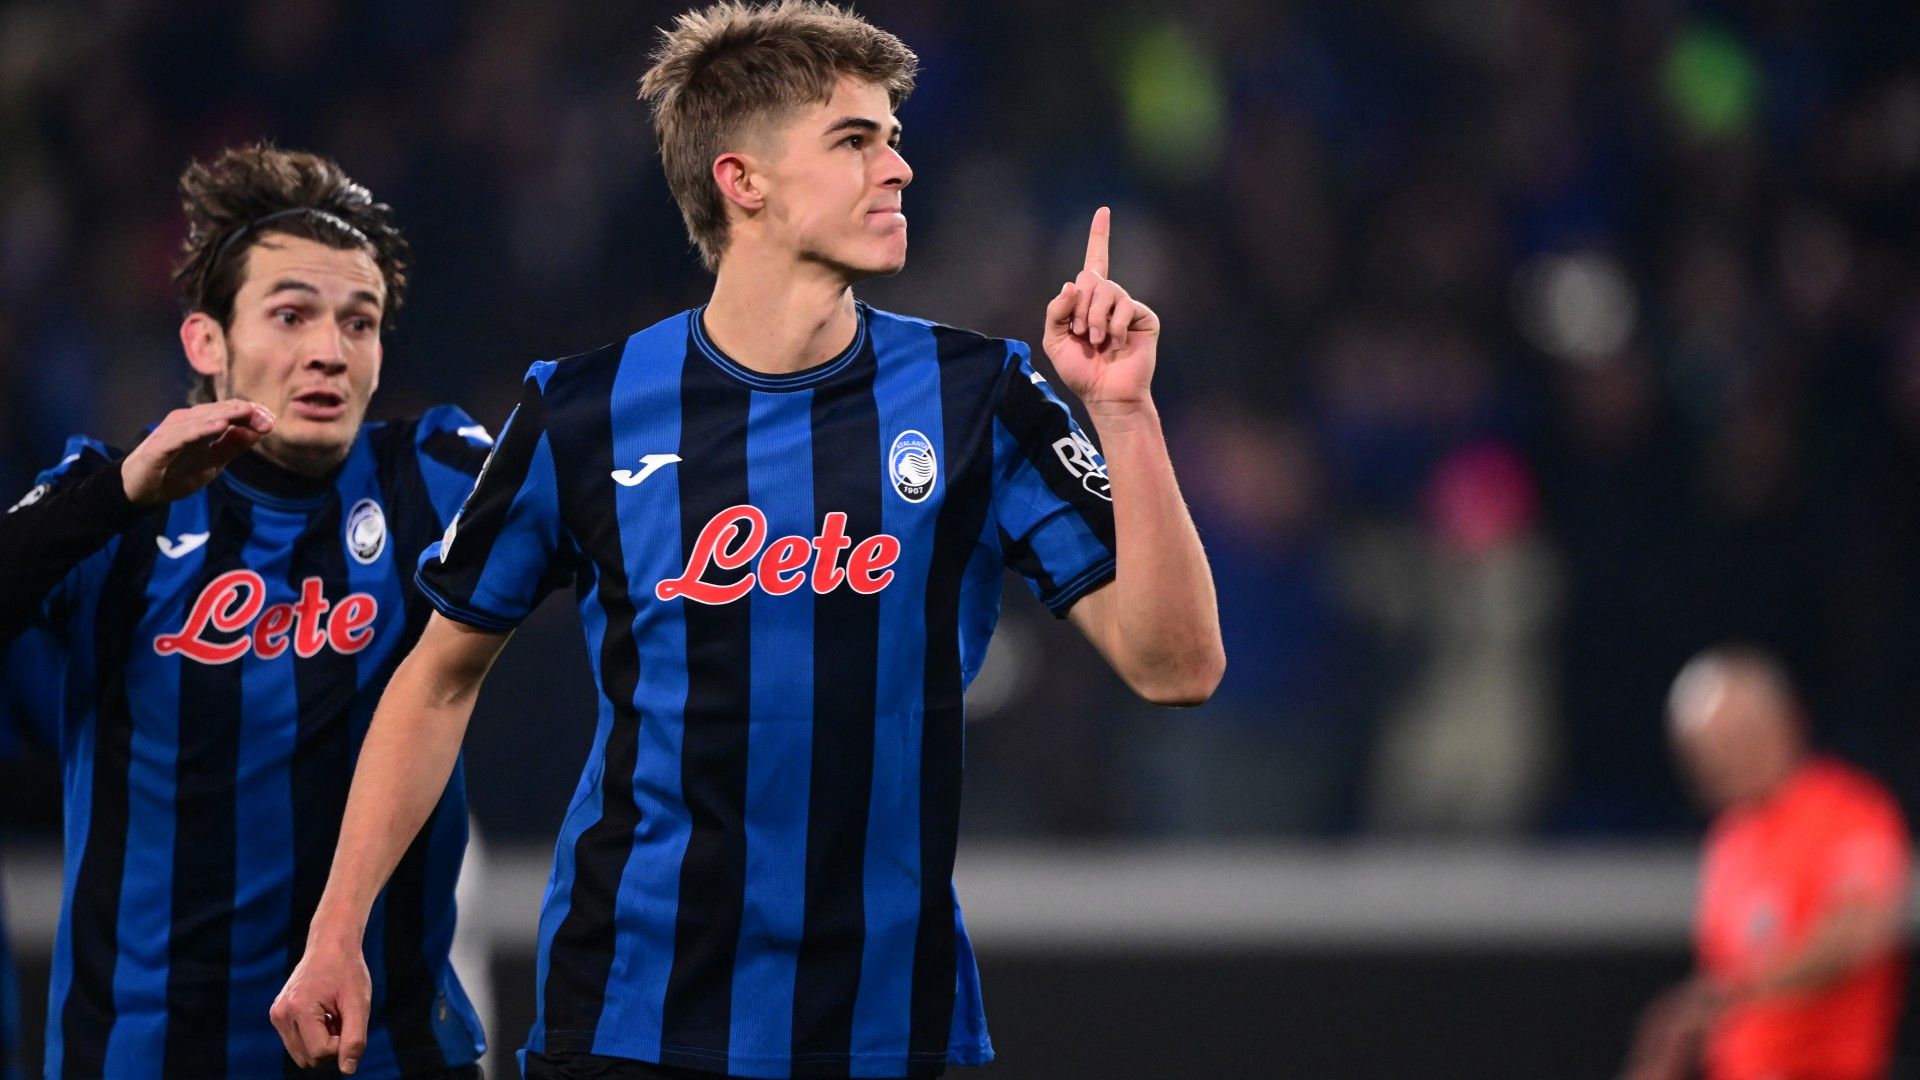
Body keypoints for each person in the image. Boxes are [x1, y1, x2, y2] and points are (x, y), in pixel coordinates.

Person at [271, 2, 1225, 1078]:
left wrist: (1126, 415)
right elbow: (436, 679)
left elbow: (1175, 665)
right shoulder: (585, 412)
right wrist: (338, 927)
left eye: (895, 138)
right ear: (744, 181)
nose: (898, 167)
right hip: (631, 1022)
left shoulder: (980, 399)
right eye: (855, 140)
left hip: (884, 1027)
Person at [0, 144, 492, 1077]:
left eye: (360, 322)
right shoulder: (107, 504)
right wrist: (114, 497)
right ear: (206, 343)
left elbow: (624, 530)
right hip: (148, 1054)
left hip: (389, 1052)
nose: (328, 351)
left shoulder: (429, 474)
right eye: (291, 315)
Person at [1623, 647, 1911, 1080]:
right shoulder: (1730, 838)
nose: (1718, 762)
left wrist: (1737, 991)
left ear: (1787, 722)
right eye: (1702, 750)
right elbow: (1724, 980)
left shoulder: (1850, 811)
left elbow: (1857, 931)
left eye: (1734, 740)